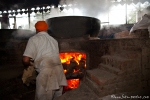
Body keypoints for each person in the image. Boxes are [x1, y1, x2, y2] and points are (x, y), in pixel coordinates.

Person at [22, 21, 67, 100]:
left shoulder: (34, 39)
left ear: (36, 29)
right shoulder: (54, 40)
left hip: (47, 74)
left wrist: (28, 65)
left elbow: (25, 59)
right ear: (47, 29)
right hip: (59, 72)